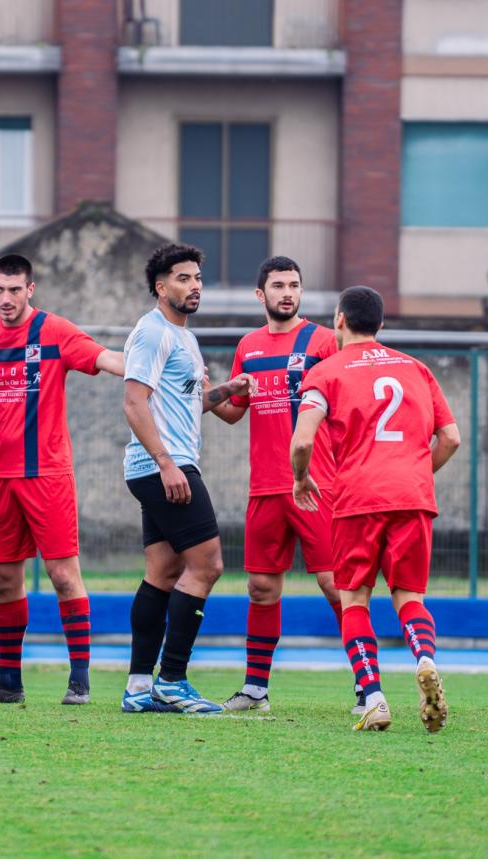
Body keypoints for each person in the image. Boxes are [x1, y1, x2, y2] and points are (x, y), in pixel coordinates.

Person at [0, 254, 124, 705]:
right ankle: (9, 681)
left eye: (14, 290)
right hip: (0, 478)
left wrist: (159, 369)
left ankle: (79, 679)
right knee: (4, 579)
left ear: (30, 290)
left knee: (64, 576)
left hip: (48, 476)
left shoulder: (55, 332)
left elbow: (104, 358)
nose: (5, 299)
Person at [291, 285, 460, 732]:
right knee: (408, 597)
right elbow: (451, 438)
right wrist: (418, 474)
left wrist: (300, 477)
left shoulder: (326, 373)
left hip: (356, 499)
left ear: (339, 321)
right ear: (381, 324)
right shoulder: (417, 369)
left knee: (354, 600)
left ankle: (375, 698)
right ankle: (424, 658)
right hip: (413, 497)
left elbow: (304, 437)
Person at [207, 256, 354, 713]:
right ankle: (255, 691)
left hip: (315, 486)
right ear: (261, 294)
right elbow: (234, 412)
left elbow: (348, 402)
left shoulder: (325, 341)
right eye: (278, 285)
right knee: (261, 589)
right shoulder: (248, 345)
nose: (287, 292)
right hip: (265, 489)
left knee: (336, 585)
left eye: (294, 285)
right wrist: (216, 391)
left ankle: (365, 686)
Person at [119, 243, 252, 714]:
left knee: (163, 572)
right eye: (182, 278)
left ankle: (138, 690)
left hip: (162, 464)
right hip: (165, 467)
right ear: (161, 287)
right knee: (209, 564)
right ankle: (172, 679)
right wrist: (166, 463)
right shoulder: (153, 333)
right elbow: (134, 403)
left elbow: (183, 406)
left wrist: (225, 392)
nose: (193, 286)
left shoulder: (185, 340)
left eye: (197, 278)